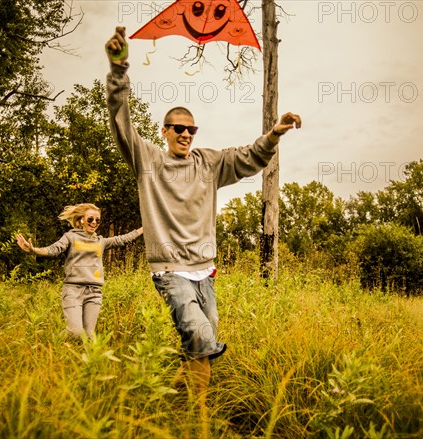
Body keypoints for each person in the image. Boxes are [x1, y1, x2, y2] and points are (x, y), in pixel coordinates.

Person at [105, 26, 301, 408]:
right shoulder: (148, 160)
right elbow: (120, 123)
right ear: (164, 131)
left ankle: (162, 401)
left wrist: (275, 133)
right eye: (179, 128)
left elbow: (249, 157)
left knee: (201, 343)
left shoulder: (208, 163)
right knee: (198, 333)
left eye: (191, 129)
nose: (186, 134)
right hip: (169, 270)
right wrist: (118, 70)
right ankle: (201, 418)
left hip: (204, 270)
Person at [16, 203, 143, 339]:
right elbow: (53, 249)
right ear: (81, 220)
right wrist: (33, 250)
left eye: (97, 220)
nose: (94, 223)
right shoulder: (70, 237)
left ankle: (82, 357)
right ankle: (55, 341)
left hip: (94, 292)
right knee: (75, 332)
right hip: (73, 290)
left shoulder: (101, 241)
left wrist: (144, 228)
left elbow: (122, 239)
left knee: (88, 336)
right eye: (90, 219)